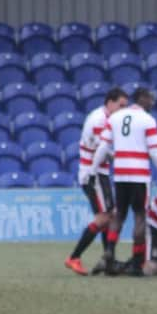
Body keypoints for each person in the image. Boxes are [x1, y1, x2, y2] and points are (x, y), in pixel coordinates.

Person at [84, 88, 157, 276]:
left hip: (120, 173)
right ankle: (137, 262)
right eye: (150, 99)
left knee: (119, 214)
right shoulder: (147, 120)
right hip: (139, 175)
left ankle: (110, 249)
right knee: (139, 216)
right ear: (143, 99)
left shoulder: (115, 118)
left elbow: (103, 147)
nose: (152, 103)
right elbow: (154, 152)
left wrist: (93, 170)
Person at [65, 87, 128, 276]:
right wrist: (122, 157)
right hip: (94, 175)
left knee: (108, 217)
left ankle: (108, 260)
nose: (123, 110)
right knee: (105, 217)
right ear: (110, 102)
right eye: (121, 105)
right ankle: (74, 257)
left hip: (97, 174)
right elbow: (103, 151)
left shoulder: (103, 117)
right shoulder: (100, 120)